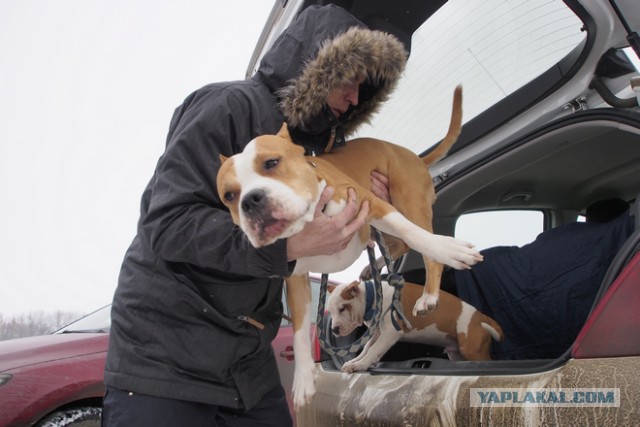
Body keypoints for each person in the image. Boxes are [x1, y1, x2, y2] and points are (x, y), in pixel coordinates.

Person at [102, 4, 407, 427]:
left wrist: (364, 206)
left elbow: (316, 252)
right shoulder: (229, 105)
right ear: (318, 66)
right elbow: (167, 223)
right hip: (166, 362)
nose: (355, 98)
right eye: (350, 82)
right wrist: (291, 245)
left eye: (363, 90)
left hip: (247, 367)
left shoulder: (311, 157)